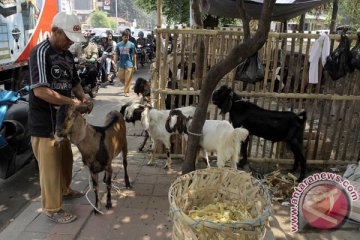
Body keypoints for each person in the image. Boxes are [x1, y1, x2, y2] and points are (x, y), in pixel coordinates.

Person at [28, 12, 93, 224]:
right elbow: (41, 91)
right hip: (45, 123)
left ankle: (65, 189)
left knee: (66, 159)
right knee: (50, 168)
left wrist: (83, 97)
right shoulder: (41, 52)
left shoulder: (66, 56)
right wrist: (72, 103)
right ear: (55, 31)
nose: (69, 44)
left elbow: (74, 82)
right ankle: (52, 208)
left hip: (64, 121)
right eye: (67, 38)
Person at [115, 30, 136, 97]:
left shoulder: (132, 45)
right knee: (120, 77)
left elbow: (134, 55)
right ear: (122, 37)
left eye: (127, 37)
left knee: (128, 78)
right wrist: (115, 62)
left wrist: (135, 64)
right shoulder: (118, 45)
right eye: (125, 37)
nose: (126, 38)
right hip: (121, 64)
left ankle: (126, 92)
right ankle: (127, 85)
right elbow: (117, 54)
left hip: (129, 64)